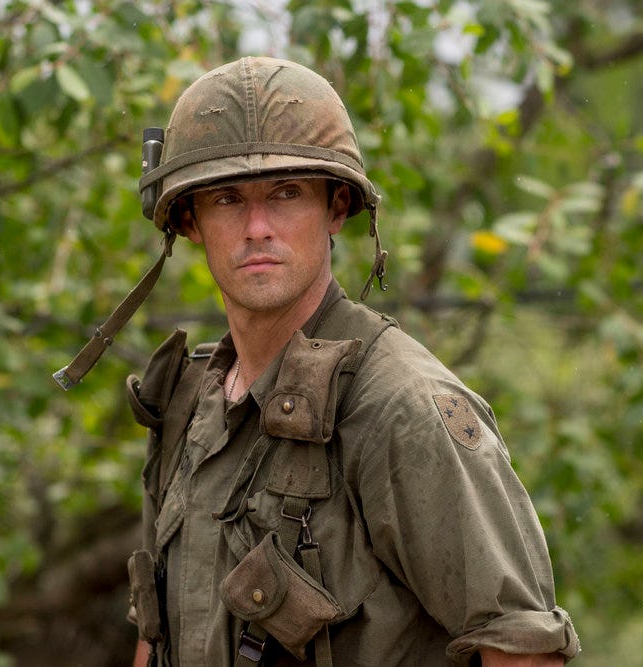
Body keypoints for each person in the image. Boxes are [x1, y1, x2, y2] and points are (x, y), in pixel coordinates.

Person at [123, 56, 580, 666]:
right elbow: (154, 636)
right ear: (190, 221)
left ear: (336, 208)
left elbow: (521, 651)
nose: (257, 227)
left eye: (286, 193)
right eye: (227, 199)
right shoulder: (189, 404)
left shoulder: (401, 408)